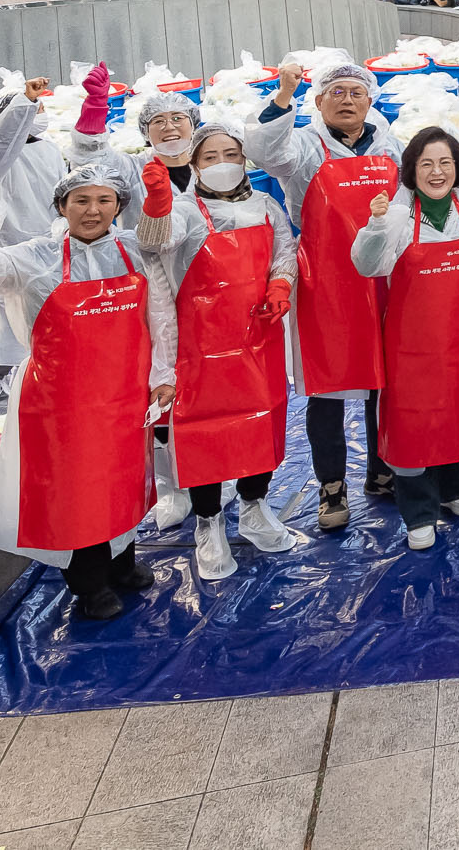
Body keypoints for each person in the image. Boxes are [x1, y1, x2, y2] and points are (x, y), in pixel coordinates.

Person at [0, 164, 176, 622]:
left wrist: (164, 375)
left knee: (121, 481)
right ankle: (88, 584)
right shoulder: (34, 257)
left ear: (119, 207)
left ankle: (121, 562)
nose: (93, 210)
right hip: (60, 401)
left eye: (104, 200)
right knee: (76, 491)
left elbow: (162, 312)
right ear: (61, 206)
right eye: (81, 200)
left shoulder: (135, 253)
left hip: (124, 395)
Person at [245, 57, 402, 530]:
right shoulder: (305, 145)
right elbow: (264, 149)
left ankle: (382, 470)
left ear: (370, 101)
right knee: (327, 387)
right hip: (326, 281)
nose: (347, 100)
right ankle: (331, 489)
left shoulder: (388, 142)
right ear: (318, 102)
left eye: (356, 93)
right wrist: (282, 94)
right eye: (337, 93)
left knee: (385, 380)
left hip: (383, 277)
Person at [351, 127, 459, 548]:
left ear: (457, 167)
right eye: (426, 164)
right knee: (411, 423)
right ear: (411, 171)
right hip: (409, 344)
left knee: (455, 411)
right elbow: (368, 267)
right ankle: (418, 509)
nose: (437, 172)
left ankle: (455, 484)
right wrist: (377, 225)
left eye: (445, 162)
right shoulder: (400, 214)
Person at [154, 125, 303, 578]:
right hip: (199, 345)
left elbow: (285, 250)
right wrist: (157, 209)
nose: (223, 163)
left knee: (262, 423)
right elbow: (156, 241)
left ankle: (255, 509)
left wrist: (282, 281)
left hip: (258, 338)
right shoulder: (183, 212)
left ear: (245, 161)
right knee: (205, 434)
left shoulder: (266, 205)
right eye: (211, 156)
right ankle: (209, 522)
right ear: (194, 164)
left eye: (232, 154)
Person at [0, 74, 68, 413]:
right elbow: (3, 139)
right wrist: (24, 102)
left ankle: (47, 379)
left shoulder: (50, 149)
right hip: (8, 249)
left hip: (51, 246)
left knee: (49, 321)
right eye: (33, 109)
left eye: (41, 107)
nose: (39, 113)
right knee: (3, 323)